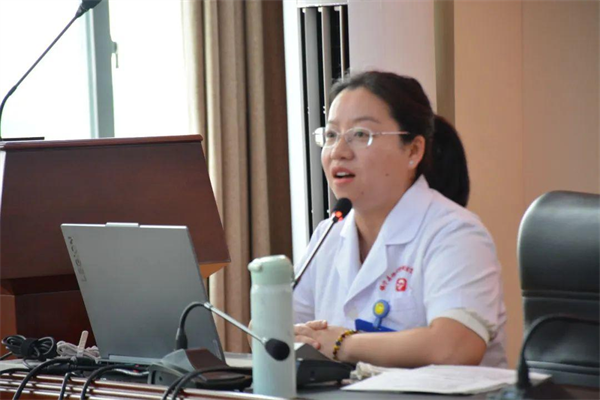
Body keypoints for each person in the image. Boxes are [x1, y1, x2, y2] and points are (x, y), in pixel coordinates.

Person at [293, 71, 507, 368]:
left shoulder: (456, 232)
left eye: (360, 135)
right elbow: (278, 334)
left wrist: (343, 343)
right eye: (331, 135)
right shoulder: (328, 235)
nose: (338, 152)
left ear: (413, 150)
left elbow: (455, 347)